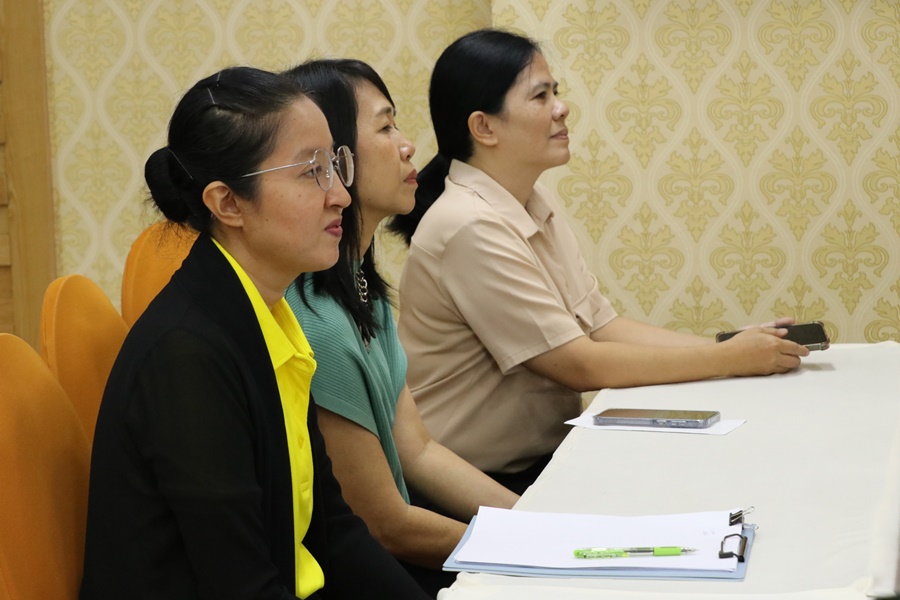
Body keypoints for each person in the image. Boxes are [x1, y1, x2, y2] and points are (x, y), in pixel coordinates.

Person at [389, 29, 809, 494]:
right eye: (541, 96)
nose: (561, 108)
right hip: (476, 482)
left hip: (544, 458)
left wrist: (732, 347)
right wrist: (728, 358)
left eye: (556, 92)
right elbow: (578, 364)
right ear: (484, 127)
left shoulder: (530, 199)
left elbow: (602, 325)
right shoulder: (468, 224)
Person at [80, 66, 429, 600]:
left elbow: (331, 527)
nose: (341, 194)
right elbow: (240, 584)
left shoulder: (271, 314)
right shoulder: (187, 356)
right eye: (311, 172)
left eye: (335, 164)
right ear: (228, 203)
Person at [281, 59, 518, 597]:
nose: (408, 145)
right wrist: (525, 545)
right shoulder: (315, 318)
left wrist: (536, 522)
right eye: (385, 127)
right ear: (332, 158)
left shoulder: (361, 287)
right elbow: (384, 525)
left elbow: (419, 451)